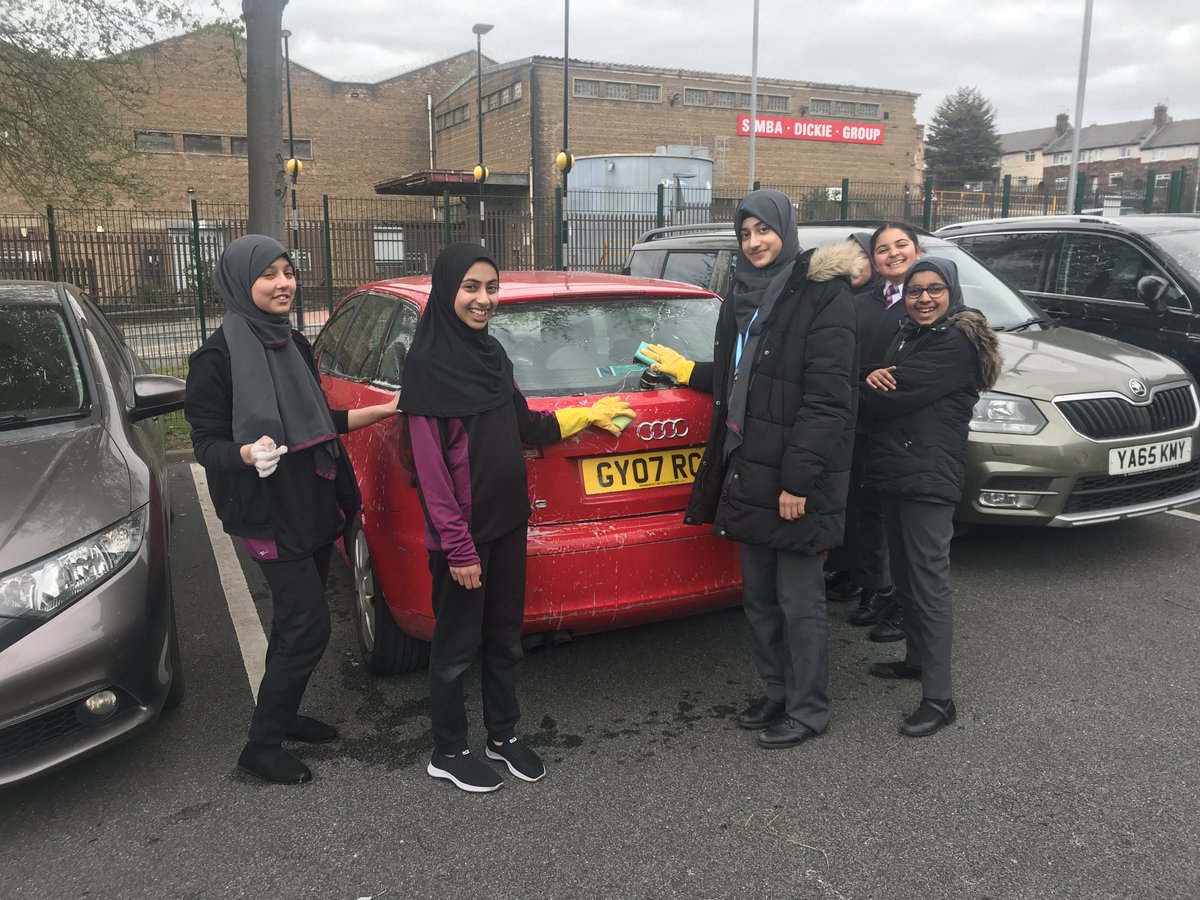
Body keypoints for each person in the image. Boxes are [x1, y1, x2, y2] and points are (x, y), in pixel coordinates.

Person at [401, 242, 634, 793]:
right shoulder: (426, 367)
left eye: (490, 288)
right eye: (470, 288)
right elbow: (432, 473)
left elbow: (522, 423)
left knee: (506, 638)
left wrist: (583, 417)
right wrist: (458, 549)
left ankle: (501, 736)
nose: (484, 300)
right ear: (446, 290)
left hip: (507, 523)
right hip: (461, 537)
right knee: (457, 647)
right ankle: (448, 749)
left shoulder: (492, 355)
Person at [642, 189, 858, 749]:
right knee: (758, 596)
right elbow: (747, 374)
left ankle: (809, 708)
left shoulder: (821, 296)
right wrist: (688, 370)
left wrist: (797, 482)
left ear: (786, 230)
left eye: (765, 230)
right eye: (745, 233)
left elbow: (828, 401)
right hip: (746, 467)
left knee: (799, 602)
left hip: (791, 479)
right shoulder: (742, 295)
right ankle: (776, 691)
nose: (755, 241)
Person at [185, 234, 400, 784]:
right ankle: (259, 748)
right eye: (269, 275)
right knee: (308, 627)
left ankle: (280, 717)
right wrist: (243, 453)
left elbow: (320, 420)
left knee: (290, 622)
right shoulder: (215, 358)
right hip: (265, 508)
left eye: (288, 272)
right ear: (240, 283)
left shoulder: (294, 343)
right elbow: (204, 443)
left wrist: (393, 406)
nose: (284, 284)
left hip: (312, 499)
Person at [858, 258, 1001, 737]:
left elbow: (892, 394)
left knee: (929, 581)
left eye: (934, 289)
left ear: (951, 292)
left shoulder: (955, 340)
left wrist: (874, 381)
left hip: (928, 474)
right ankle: (916, 660)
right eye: (915, 290)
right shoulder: (908, 333)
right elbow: (879, 378)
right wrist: (873, 375)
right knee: (905, 572)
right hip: (898, 468)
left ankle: (940, 699)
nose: (923, 298)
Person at [845, 223, 926, 641]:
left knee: (902, 520)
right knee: (868, 511)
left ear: (917, 249)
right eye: (882, 249)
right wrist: (863, 380)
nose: (892, 254)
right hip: (861, 420)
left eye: (901, 245)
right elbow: (846, 362)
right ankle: (877, 587)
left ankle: (901, 600)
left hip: (905, 428)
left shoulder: (929, 304)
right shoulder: (862, 304)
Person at [823, 232, 887, 604]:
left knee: (870, 510)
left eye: (862, 255)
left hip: (874, 416)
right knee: (845, 502)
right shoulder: (840, 299)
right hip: (844, 416)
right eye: (848, 256)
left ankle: (875, 584)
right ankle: (846, 571)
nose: (855, 263)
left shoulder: (883, 304)